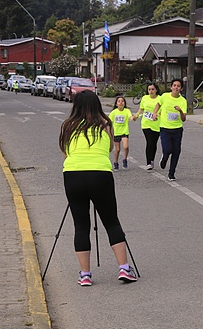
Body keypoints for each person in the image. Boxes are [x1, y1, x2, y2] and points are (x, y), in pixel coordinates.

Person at [59, 90, 137, 286]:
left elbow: (65, 153)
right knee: (111, 221)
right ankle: (124, 269)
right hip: (100, 174)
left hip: (73, 174)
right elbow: (110, 148)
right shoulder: (106, 124)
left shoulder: (68, 126)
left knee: (81, 224)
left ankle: (85, 274)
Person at [153, 78, 187, 181]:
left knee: (176, 151)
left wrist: (180, 111)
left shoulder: (183, 101)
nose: (176, 87)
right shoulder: (165, 96)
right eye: (174, 85)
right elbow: (158, 104)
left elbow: (184, 119)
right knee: (168, 149)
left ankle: (171, 173)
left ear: (181, 89)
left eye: (178, 86)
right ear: (171, 87)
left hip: (177, 129)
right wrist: (155, 113)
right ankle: (164, 158)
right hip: (165, 128)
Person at [133, 83, 161, 170]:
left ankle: (152, 159)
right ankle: (149, 162)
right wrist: (136, 115)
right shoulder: (145, 98)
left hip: (157, 123)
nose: (151, 91)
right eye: (149, 89)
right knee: (149, 142)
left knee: (154, 143)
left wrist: (158, 114)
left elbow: (164, 109)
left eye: (153, 89)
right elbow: (141, 109)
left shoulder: (160, 99)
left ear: (156, 90)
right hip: (146, 123)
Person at [108, 96, 133, 171]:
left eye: (122, 101)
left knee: (126, 147)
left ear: (124, 103)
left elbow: (130, 117)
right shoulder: (114, 112)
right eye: (119, 101)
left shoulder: (127, 111)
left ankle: (125, 159)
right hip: (116, 133)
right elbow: (109, 121)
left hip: (124, 132)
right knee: (118, 149)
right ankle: (116, 163)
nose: (121, 102)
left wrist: (133, 118)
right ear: (116, 104)